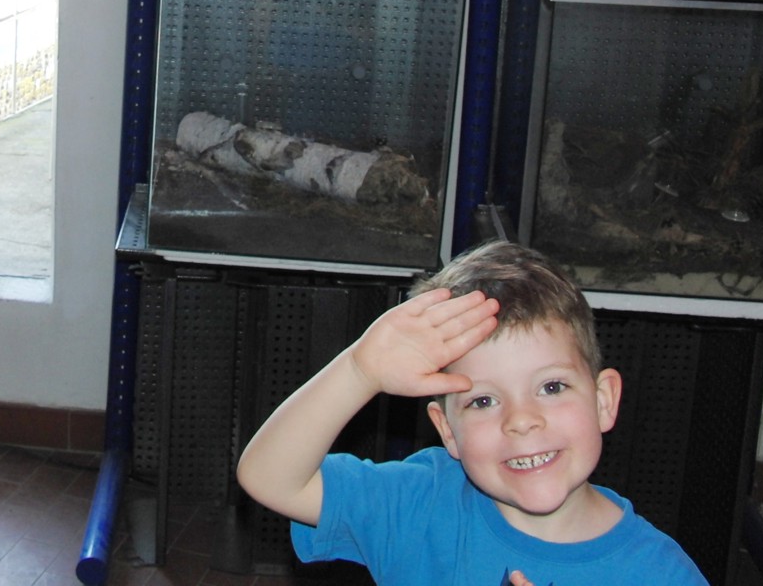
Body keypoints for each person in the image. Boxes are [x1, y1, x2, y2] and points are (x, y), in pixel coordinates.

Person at [237, 240, 709, 585]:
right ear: (448, 431)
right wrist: (359, 371)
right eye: (483, 401)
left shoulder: (660, 573)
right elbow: (270, 479)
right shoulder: (421, 504)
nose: (521, 420)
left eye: (551, 387)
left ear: (604, 400)